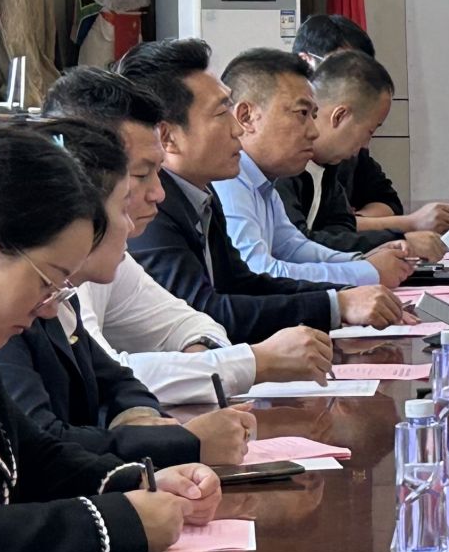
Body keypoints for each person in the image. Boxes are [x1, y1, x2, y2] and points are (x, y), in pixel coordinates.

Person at [0, 126, 219, 552]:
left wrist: (137, 481)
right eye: (46, 281)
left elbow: (30, 455)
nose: (50, 307)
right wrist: (110, 524)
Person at [42, 66, 334, 404]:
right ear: (83, 172)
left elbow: (193, 323)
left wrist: (202, 359)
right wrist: (254, 362)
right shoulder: (49, 267)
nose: (158, 192)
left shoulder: (112, 253)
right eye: (140, 174)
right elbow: (101, 378)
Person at [0, 120, 254, 468]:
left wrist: (140, 418)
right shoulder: (12, 313)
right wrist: (180, 443)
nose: (130, 226)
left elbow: (118, 379)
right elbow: (40, 445)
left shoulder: (58, 296)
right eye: (122, 207)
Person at [120, 39, 405, 339]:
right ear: (168, 137)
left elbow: (244, 283)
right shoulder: (152, 205)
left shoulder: (201, 195)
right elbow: (203, 311)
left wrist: (342, 297)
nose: (236, 129)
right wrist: (337, 303)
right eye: (221, 114)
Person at [214, 48, 410, 288]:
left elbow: (293, 247)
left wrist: (361, 261)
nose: (314, 131)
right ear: (247, 117)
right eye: (302, 113)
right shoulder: (228, 180)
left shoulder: (262, 181)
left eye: (313, 115)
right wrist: (367, 271)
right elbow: (259, 272)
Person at [293, 14, 449, 236]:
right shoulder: (286, 155)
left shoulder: (336, 155)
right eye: (343, 67)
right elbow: (300, 240)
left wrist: (351, 224)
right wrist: (405, 228)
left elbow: (384, 202)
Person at [281, 51, 440, 260]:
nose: (366, 145)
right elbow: (296, 246)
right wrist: (399, 240)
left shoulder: (329, 166)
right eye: (369, 131)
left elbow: (340, 231)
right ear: (340, 116)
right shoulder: (282, 167)